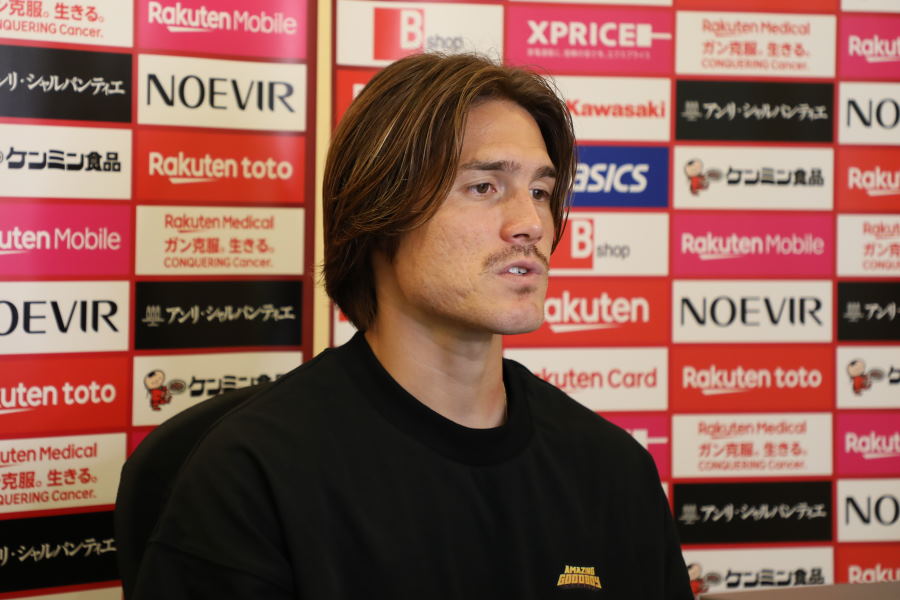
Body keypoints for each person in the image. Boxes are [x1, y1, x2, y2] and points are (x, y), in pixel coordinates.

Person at [127, 53, 692, 599]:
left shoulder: (614, 471)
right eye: (484, 187)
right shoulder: (251, 476)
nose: (531, 224)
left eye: (541, 192)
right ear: (378, 211)